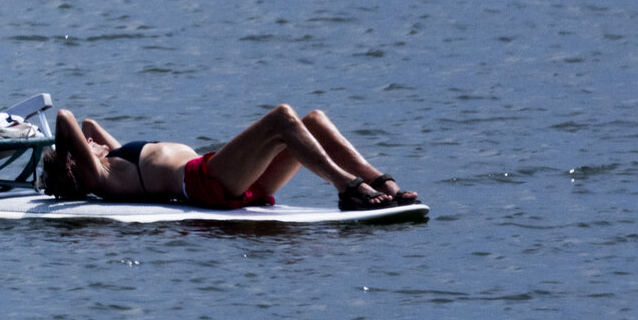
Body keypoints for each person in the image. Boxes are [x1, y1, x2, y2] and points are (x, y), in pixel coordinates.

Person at [41, 104, 418, 212]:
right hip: (205, 183)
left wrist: (89, 143)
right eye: (85, 147)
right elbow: (66, 119)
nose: (93, 142)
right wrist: (59, 161)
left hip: (231, 180)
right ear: (73, 163)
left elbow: (87, 123)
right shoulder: (96, 177)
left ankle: (378, 181)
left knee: (313, 121)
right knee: (283, 119)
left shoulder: (112, 160)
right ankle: (346, 188)